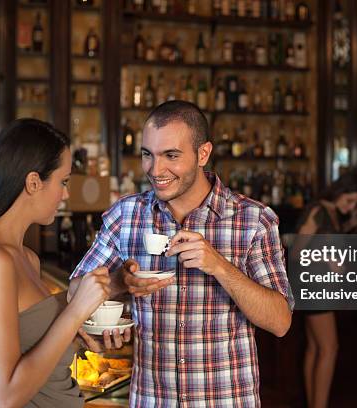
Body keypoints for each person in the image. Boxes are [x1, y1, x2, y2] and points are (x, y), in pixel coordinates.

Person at [68, 100, 294, 407]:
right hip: (152, 399)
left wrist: (219, 266)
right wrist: (119, 283)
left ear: (203, 154)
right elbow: (73, 293)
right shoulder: (126, 216)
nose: (155, 169)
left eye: (170, 155)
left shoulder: (253, 220)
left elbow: (280, 321)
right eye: (148, 155)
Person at [0, 119, 111, 407]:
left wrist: (79, 330)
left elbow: (35, 354)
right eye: (63, 182)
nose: (66, 194)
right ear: (33, 182)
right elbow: (3, 397)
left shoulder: (27, 258)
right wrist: (75, 312)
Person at [296, 171, 357, 408]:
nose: (351, 206)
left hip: (320, 286)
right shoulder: (317, 211)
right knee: (329, 347)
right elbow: (295, 251)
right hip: (314, 286)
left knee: (316, 348)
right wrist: (323, 255)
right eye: (349, 200)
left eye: (356, 202)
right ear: (339, 192)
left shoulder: (334, 214)